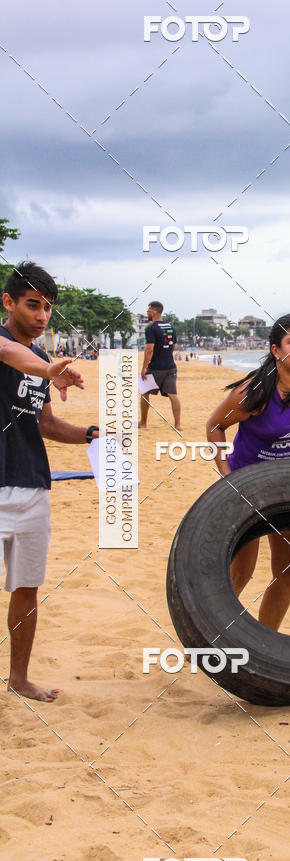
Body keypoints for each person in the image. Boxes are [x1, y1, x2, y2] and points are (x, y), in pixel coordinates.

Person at [1, 261, 96, 702]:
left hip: (34, 485)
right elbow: (10, 356)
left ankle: (19, 678)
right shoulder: (10, 348)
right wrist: (50, 370)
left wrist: (91, 436)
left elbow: (46, 424)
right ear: (9, 302)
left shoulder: (41, 359)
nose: (42, 316)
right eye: (33, 305)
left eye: (48, 308)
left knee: (26, 587)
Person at [206, 313, 290, 631]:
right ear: (276, 350)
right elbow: (215, 426)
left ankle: (266, 644)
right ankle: (210, 632)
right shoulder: (255, 392)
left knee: (289, 572)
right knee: (242, 572)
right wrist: (228, 476)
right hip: (248, 489)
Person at [139, 301, 181, 430]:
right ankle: (178, 425)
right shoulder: (170, 327)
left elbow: (149, 349)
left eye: (148, 311)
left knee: (144, 393)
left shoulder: (151, 328)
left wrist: (144, 368)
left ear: (154, 312)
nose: (147, 313)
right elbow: (174, 346)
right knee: (173, 395)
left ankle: (143, 422)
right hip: (171, 367)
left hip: (156, 367)